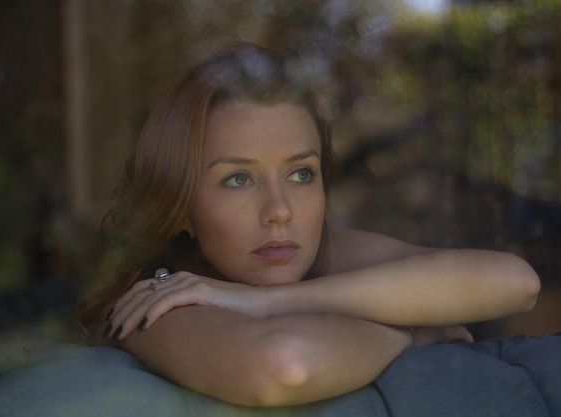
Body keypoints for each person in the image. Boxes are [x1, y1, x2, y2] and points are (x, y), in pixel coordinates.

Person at [76, 42, 540, 406]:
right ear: (181, 207)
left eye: (301, 174)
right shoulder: (152, 303)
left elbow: (514, 281)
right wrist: (419, 331)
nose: (280, 210)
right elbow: (286, 364)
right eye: (238, 179)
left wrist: (271, 301)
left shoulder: (323, 258)